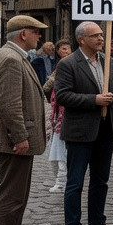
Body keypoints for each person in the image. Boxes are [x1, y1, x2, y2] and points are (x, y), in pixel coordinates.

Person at [0, 14, 49, 225]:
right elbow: (9, 104)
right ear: (23, 34)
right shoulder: (11, 59)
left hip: (14, 140)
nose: (39, 36)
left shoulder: (13, 56)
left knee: (15, 196)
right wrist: (20, 137)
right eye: (36, 32)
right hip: (14, 142)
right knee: (12, 197)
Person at [55, 23, 113, 225]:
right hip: (80, 131)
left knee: (101, 181)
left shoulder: (109, 62)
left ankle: (97, 224)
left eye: (102, 35)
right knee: (75, 182)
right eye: (95, 36)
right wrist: (94, 100)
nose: (101, 39)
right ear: (81, 39)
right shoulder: (68, 64)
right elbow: (63, 95)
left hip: (106, 129)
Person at [45, 38, 73, 194]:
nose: (66, 52)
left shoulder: (73, 66)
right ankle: (59, 179)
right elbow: (47, 88)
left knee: (63, 153)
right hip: (57, 117)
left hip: (66, 117)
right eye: (63, 49)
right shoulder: (59, 68)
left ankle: (62, 181)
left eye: (68, 49)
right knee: (55, 151)